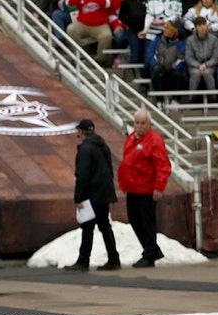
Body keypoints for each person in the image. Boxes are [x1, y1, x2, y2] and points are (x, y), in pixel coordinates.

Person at [63, 119, 120, 272]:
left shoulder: (85, 149)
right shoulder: (103, 146)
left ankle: (83, 261)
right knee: (104, 226)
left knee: (87, 228)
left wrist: (78, 197)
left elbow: (82, 175)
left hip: (92, 194)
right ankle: (114, 259)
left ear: (80, 132)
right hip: (104, 192)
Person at [117, 109, 171, 268]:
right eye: (137, 123)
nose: (139, 126)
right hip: (132, 188)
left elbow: (163, 166)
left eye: (143, 123)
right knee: (134, 220)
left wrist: (159, 187)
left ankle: (149, 255)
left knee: (147, 222)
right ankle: (152, 250)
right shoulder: (131, 138)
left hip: (146, 189)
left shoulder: (155, 140)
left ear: (149, 124)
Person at [185, 15, 218, 96]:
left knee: (207, 72)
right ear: (196, 28)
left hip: (210, 65)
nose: (202, 27)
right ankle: (191, 99)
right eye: (199, 25)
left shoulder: (214, 39)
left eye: (204, 24)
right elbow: (188, 58)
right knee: (196, 73)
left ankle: (212, 98)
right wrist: (198, 65)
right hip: (194, 66)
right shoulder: (190, 40)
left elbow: (216, 57)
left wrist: (205, 65)